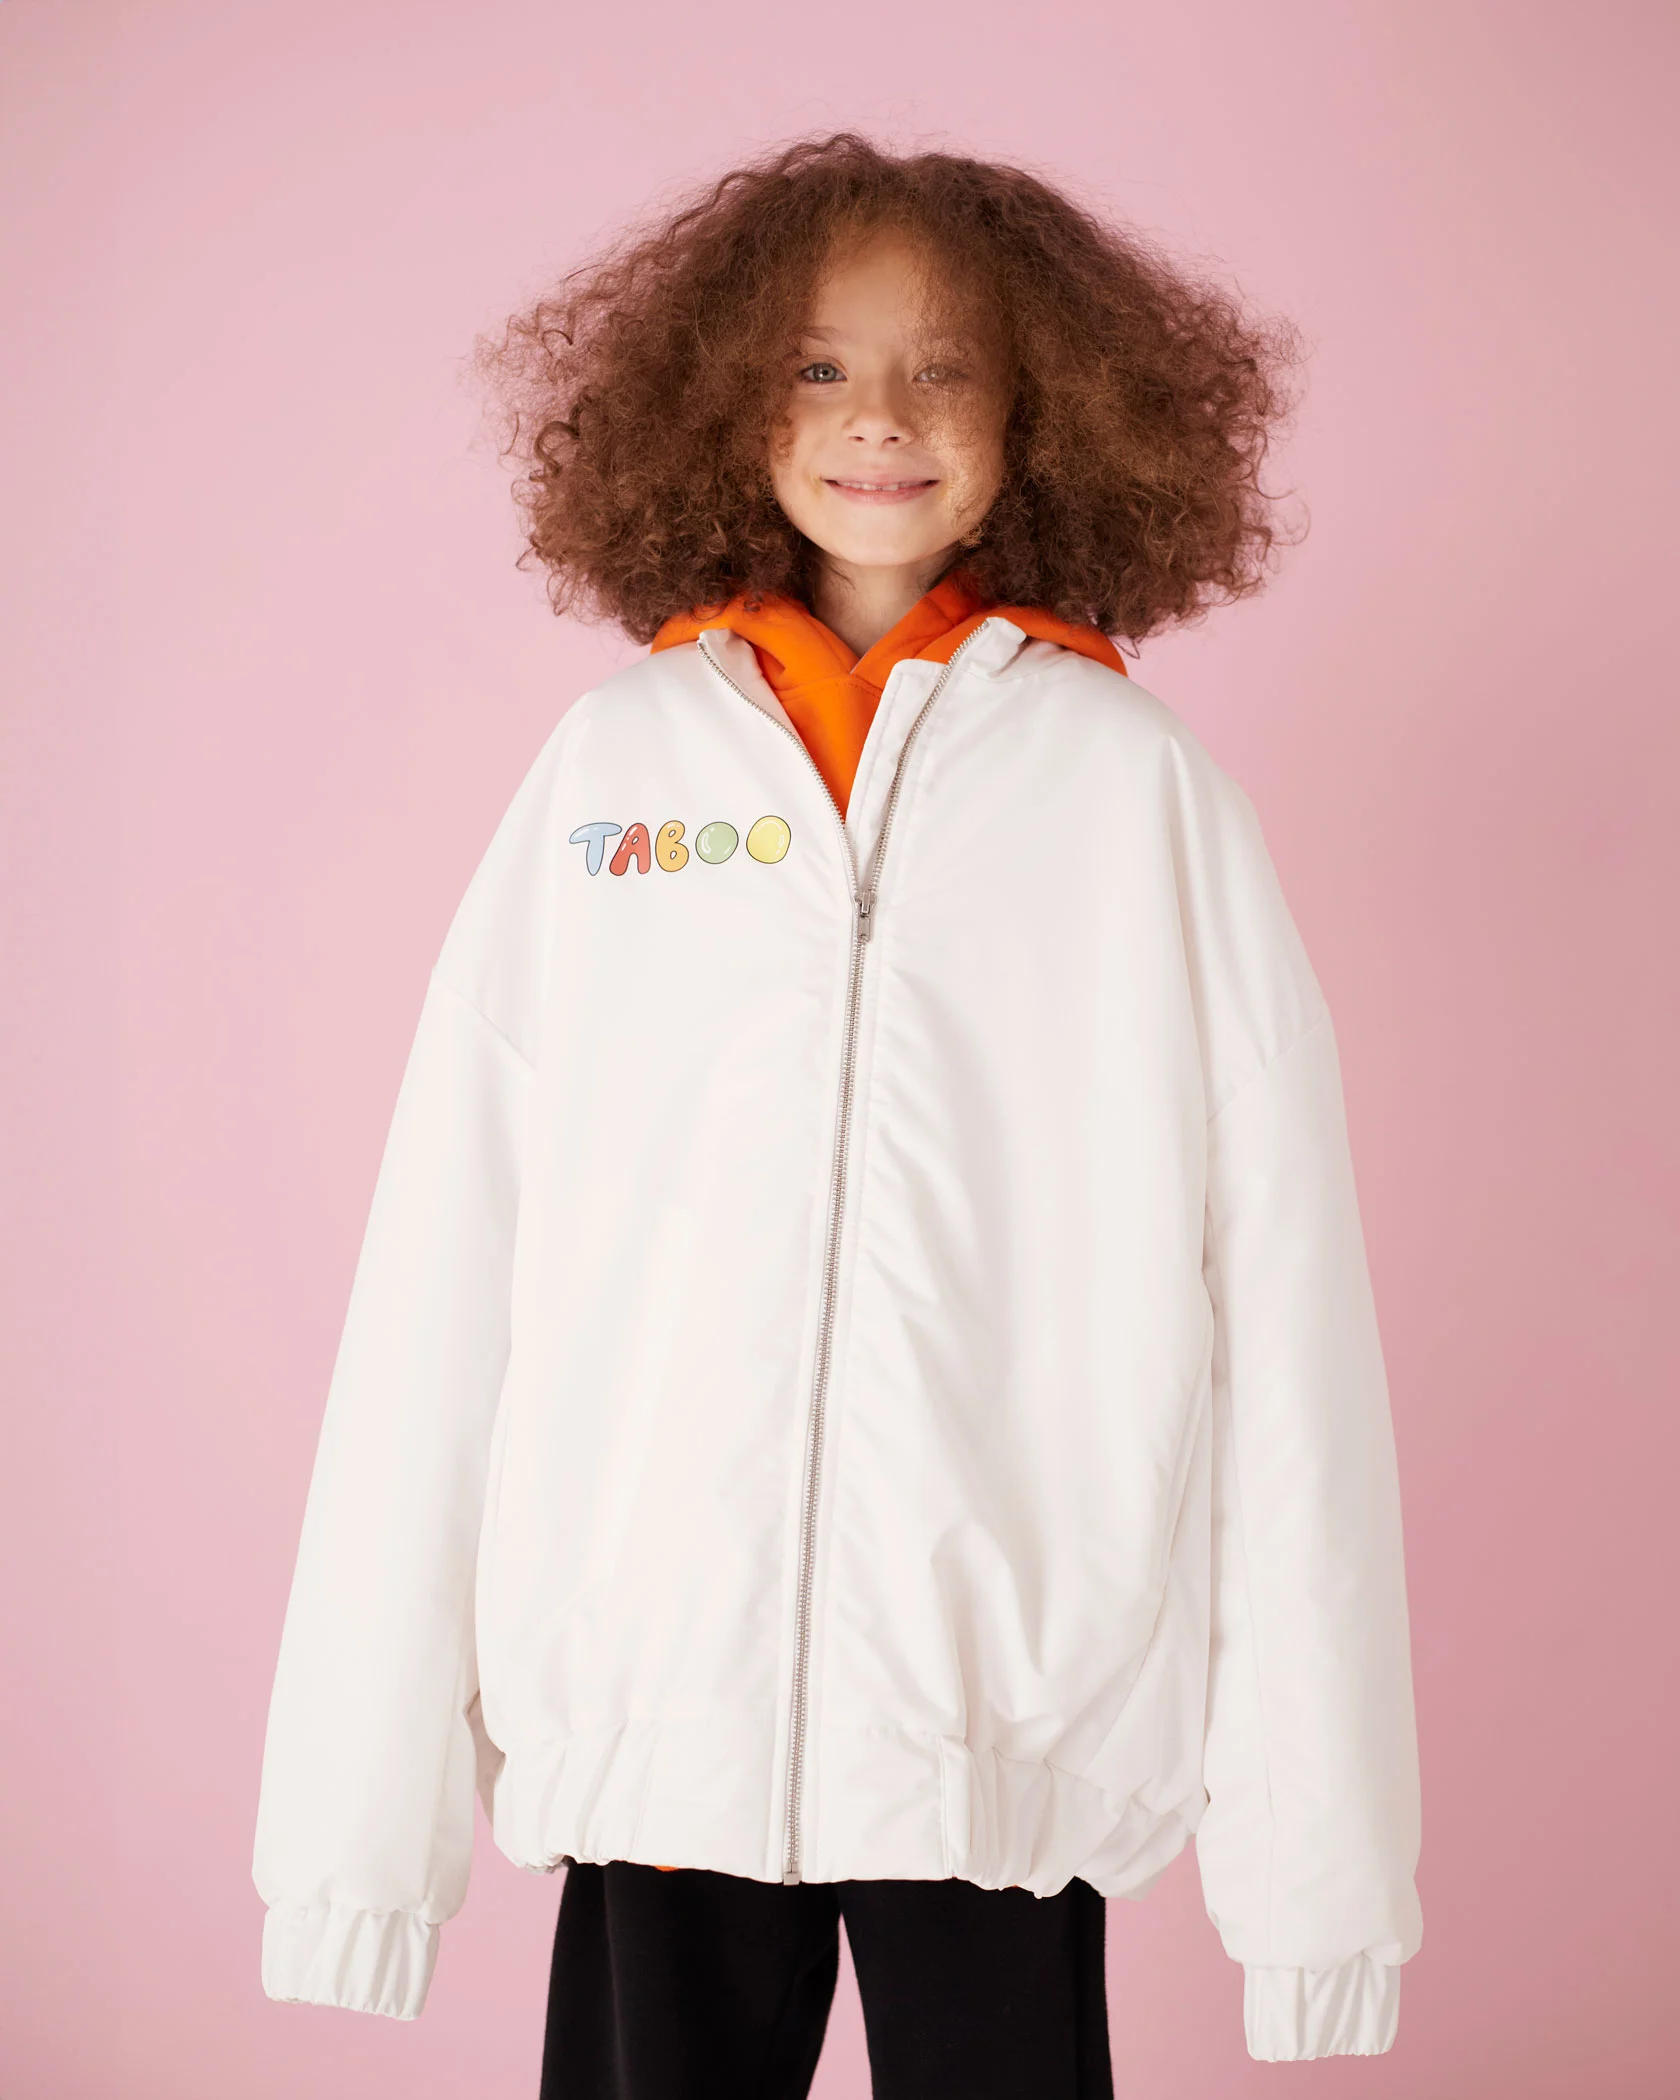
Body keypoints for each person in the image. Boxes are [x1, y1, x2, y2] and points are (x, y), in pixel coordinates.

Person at [251, 134, 1423, 2095]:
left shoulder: (1137, 796)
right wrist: (353, 1845)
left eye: (944, 365)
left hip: (999, 1745)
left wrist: (1324, 1889)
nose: (879, 416)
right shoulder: (613, 776)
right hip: (658, 1726)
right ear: (722, 398)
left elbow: (1292, 1320)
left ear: (1047, 408)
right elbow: (444, 1277)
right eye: (816, 365)